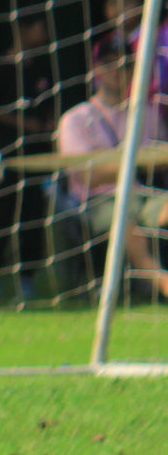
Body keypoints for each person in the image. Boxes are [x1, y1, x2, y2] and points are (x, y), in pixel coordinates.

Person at [56, 29, 168, 301]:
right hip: (96, 201)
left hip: (143, 195)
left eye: (126, 63)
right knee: (123, 216)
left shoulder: (148, 113)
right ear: (97, 69)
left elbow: (161, 163)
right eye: (109, 63)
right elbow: (87, 177)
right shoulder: (76, 119)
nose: (118, 69)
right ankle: (161, 282)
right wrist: (138, 162)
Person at [0, 14, 61, 305]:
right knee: (0, 212)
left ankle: (27, 278)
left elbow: (50, 106)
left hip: (37, 156)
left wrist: (48, 125)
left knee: (33, 212)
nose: (45, 33)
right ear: (24, 28)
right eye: (41, 26)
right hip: (6, 155)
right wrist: (29, 126)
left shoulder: (42, 67)